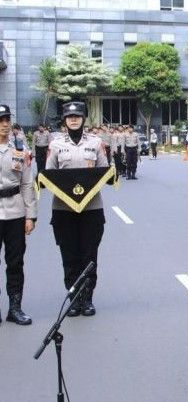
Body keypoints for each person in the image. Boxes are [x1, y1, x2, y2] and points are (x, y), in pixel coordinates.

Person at [46, 101, 109, 317]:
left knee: (89, 254)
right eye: (69, 117)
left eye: (77, 116)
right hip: (63, 210)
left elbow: (105, 171)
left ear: (84, 119)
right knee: (69, 254)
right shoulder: (55, 145)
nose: (73, 120)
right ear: (64, 120)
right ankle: (73, 298)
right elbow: (49, 174)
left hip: (91, 209)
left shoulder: (96, 143)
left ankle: (88, 299)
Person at [0, 104, 37, 326]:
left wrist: (30, 216)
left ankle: (15, 308)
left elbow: (27, 184)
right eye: (0, 121)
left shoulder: (20, 151)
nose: (4, 124)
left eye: (7, 120)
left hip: (15, 212)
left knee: (15, 263)